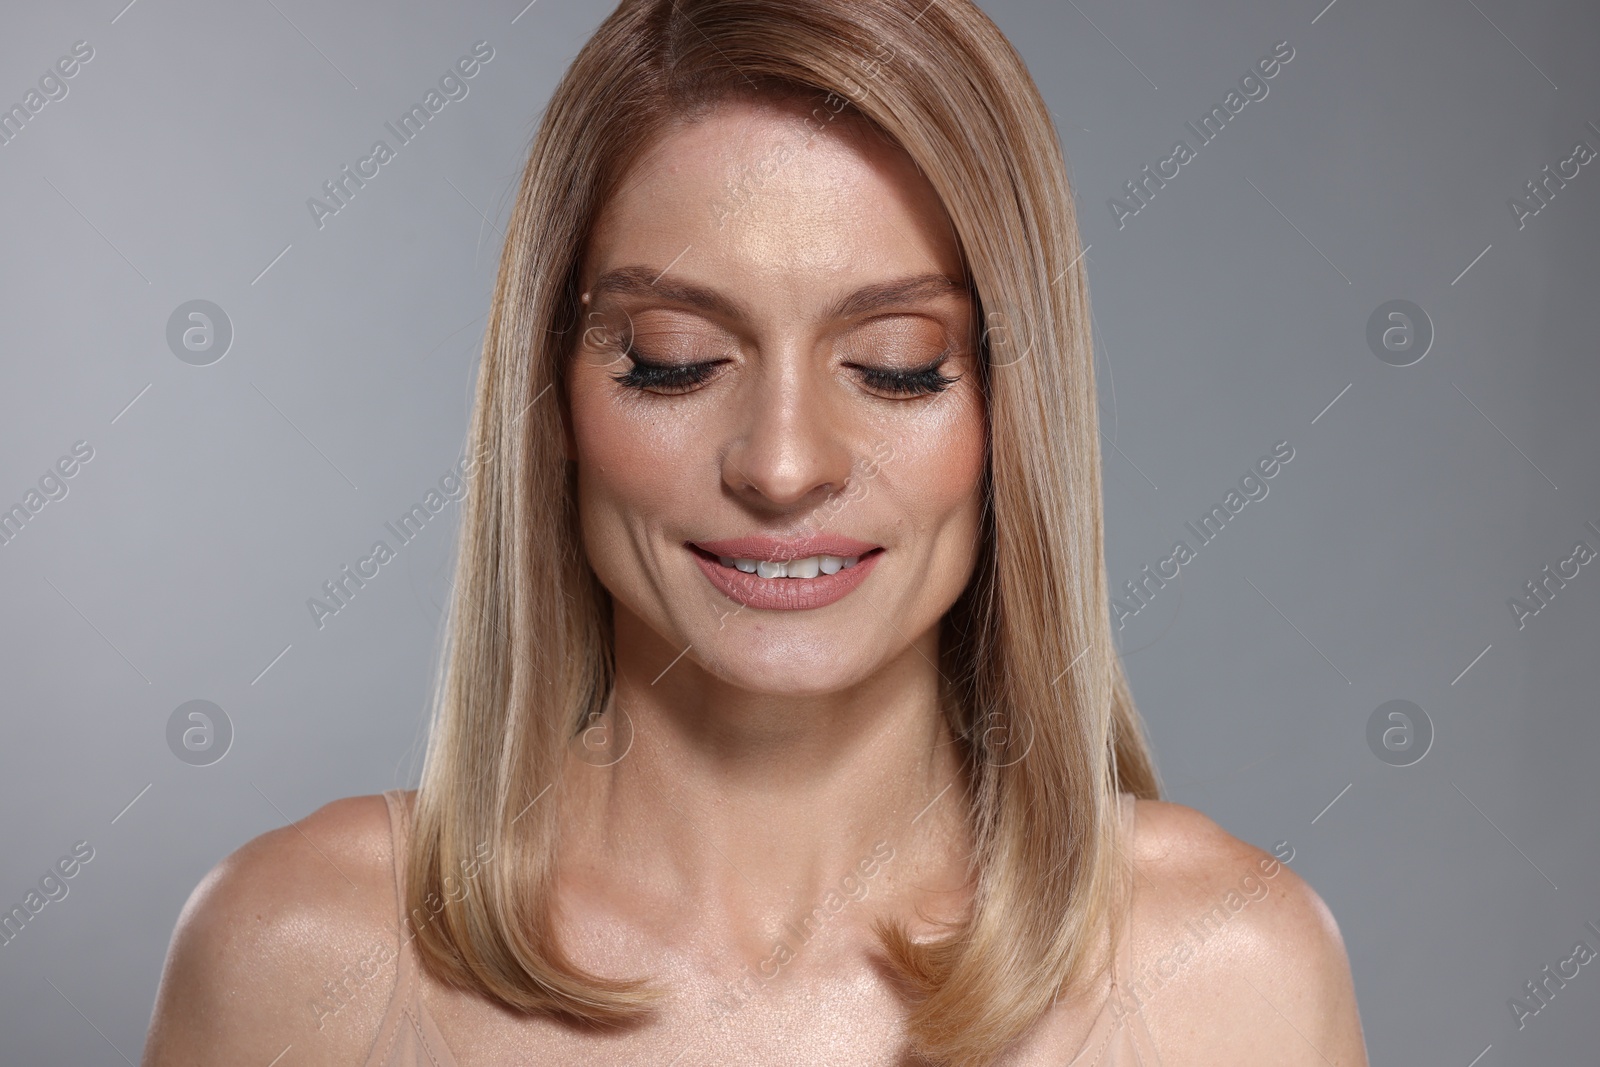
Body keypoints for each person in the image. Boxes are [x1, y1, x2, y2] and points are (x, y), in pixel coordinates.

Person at [140, 1, 1367, 1063]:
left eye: (895, 367)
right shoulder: (296, 956)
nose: (783, 465)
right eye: (677, 363)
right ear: (550, 395)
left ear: (1014, 408)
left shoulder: (1228, 975)